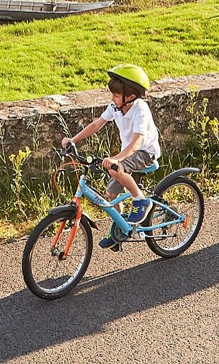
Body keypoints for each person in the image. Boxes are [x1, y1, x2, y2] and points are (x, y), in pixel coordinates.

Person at [61, 64, 160, 248]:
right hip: (128, 152)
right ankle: (122, 229)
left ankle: (140, 200)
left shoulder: (140, 109)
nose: (112, 98)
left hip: (145, 152)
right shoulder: (115, 107)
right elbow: (96, 124)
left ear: (130, 97)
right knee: (111, 192)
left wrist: (117, 159)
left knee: (118, 169)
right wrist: (72, 140)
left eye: (115, 95)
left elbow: (137, 142)